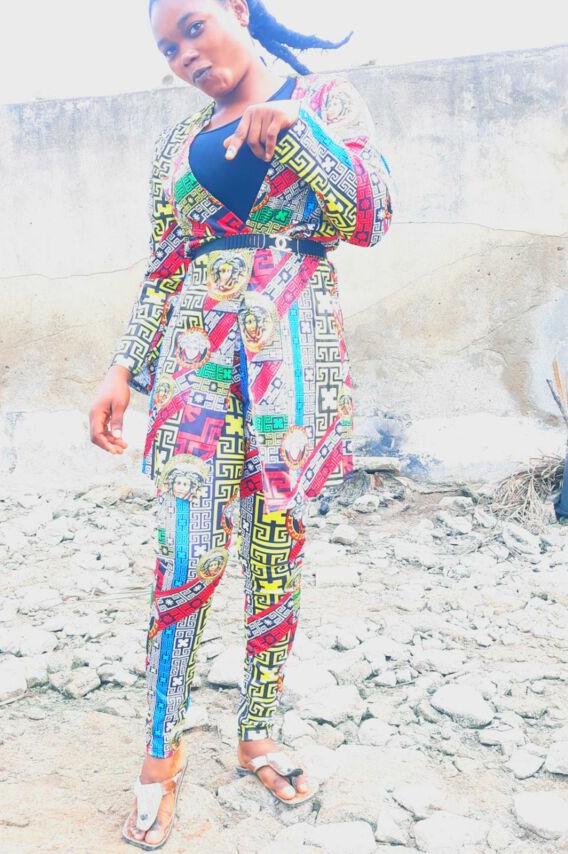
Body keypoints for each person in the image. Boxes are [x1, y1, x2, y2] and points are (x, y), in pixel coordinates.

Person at [88, 0, 395, 847]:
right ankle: (160, 753)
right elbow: (165, 264)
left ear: (235, 10)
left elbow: (371, 216)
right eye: (167, 47)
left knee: (275, 554)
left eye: (193, 26)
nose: (185, 53)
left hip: (293, 369)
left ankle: (258, 732)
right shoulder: (174, 146)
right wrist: (124, 367)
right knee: (186, 556)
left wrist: (297, 132)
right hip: (195, 371)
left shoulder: (323, 100)